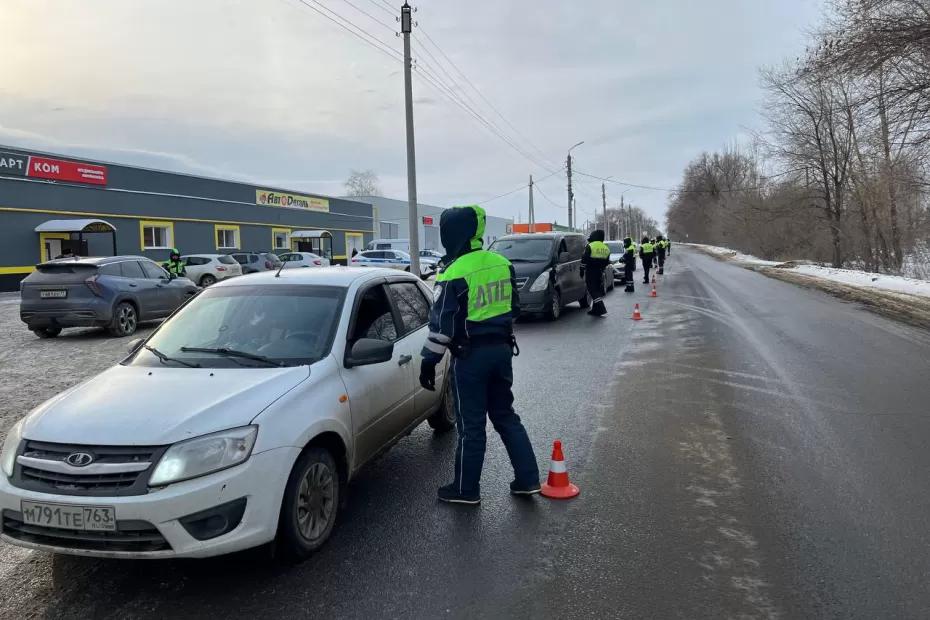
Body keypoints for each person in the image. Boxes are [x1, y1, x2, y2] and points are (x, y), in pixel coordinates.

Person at [419, 204, 540, 505]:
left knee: (471, 427)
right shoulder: (502, 263)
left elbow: (441, 329)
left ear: (454, 234)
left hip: (470, 357)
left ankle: (465, 489)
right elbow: (514, 308)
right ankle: (528, 480)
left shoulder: (454, 272)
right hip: (502, 351)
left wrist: (428, 362)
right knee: (505, 416)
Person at [582, 229, 610, 316]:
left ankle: (601, 308)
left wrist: (581, 269)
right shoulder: (606, 248)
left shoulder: (590, 246)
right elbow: (606, 262)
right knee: (597, 289)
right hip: (600, 271)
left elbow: (584, 259)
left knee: (592, 290)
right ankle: (595, 310)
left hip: (591, 271)